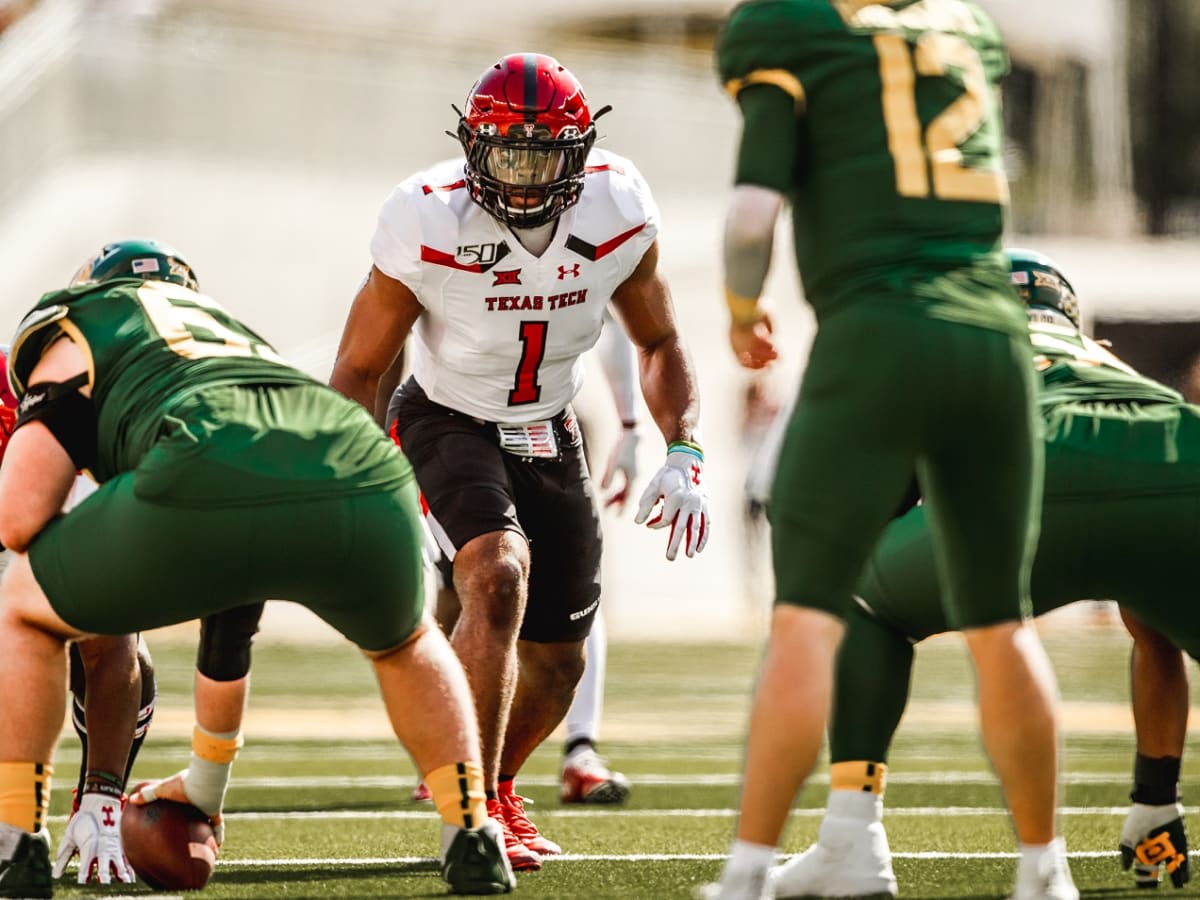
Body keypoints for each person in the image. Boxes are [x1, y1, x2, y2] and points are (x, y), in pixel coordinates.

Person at [0, 239, 513, 898]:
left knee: (23, 611)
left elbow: (17, 519)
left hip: (198, 463)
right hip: (361, 463)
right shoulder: (236, 342)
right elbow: (232, 614)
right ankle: (471, 829)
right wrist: (206, 779)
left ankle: (18, 842)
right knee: (409, 641)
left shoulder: (81, 324)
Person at [706, 3, 1073, 899]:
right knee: (1003, 626)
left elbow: (754, 215)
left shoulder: (784, 25)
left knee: (805, 621)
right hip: (993, 338)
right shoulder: (964, 23)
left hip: (876, 328)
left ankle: (748, 875)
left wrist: (740, 311)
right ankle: (1045, 872)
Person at [330, 52, 709, 871]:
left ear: (581, 153)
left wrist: (682, 444)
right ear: (472, 149)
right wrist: (358, 479)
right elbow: (360, 368)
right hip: (446, 417)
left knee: (561, 660)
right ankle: (465, 818)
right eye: (508, 153)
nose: (526, 177)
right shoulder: (427, 216)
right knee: (496, 577)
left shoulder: (619, 206)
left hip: (550, 423)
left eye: (543, 155)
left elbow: (660, 340)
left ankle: (496, 789)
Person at [775, 249, 1196, 897]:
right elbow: (1154, 628)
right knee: (1153, 608)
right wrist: (1154, 794)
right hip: (1181, 451)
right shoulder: (1107, 361)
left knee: (859, 601)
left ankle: (851, 838)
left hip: (1044, 461)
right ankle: (1157, 811)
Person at [0, 349, 157, 887]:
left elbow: (112, 644)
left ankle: (86, 807)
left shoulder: (78, 423)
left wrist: (102, 802)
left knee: (125, 653)